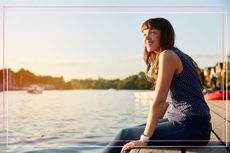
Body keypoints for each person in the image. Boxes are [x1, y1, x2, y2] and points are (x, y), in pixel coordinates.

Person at [103, 18, 212, 153]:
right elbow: (167, 99)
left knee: (124, 135)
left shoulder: (168, 55)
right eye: (144, 34)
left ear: (164, 35)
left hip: (191, 127)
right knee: (132, 131)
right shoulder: (177, 54)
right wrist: (152, 127)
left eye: (153, 32)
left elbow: (159, 101)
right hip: (193, 124)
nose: (147, 38)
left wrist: (144, 139)